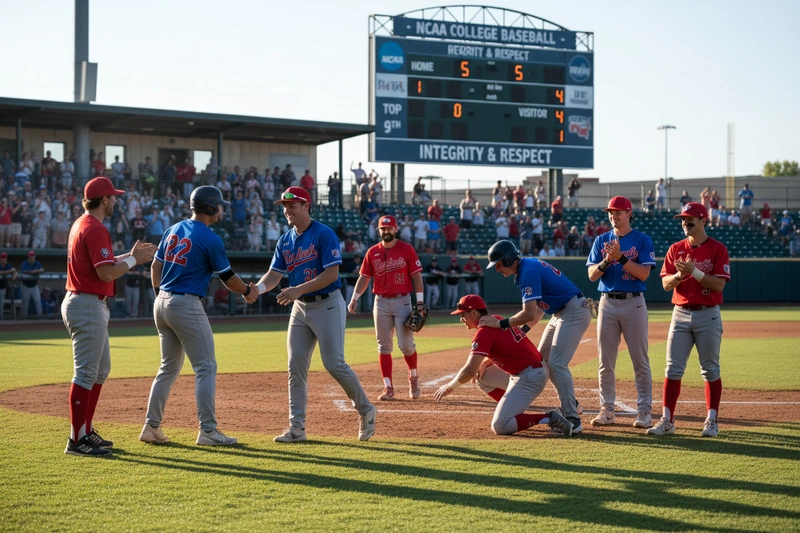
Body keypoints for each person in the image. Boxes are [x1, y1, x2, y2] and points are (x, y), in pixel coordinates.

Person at [250, 186, 376, 443]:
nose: (287, 210)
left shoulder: (323, 234)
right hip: (300, 308)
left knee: (333, 363)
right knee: (295, 367)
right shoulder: (285, 239)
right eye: (285, 207)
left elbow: (331, 274)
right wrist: (258, 289)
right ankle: (297, 428)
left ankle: (366, 410)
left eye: (292, 206)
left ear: (306, 206)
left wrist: (298, 290)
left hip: (328, 304)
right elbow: (274, 275)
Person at [140, 186, 255, 447]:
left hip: (162, 301)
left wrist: (160, 295)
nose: (222, 208)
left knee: (167, 368)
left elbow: (156, 267)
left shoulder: (172, 229)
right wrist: (248, 291)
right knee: (206, 367)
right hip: (186, 303)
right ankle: (208, 431)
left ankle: (151, 426)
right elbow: (228, 279)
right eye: (220, 205)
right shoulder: (210, 238)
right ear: (211, 207)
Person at [62, 177, 157, 457]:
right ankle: (76, 439)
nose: (115, 200)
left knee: (100, 371)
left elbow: (104, 264)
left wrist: (131, 254)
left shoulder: (84, 223)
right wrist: (133, 261)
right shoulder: (94, 228)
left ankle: (86, 431)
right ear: (103, 200)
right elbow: (105, 273)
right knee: (85, 373)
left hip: (88, 302)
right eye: (113, 197)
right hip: (87, 303)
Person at [483, 240, 591, 434]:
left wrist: (500, 324)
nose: (497, 269)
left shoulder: (527, 271)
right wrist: (520, 334)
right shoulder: (525, 270)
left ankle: (573, 418)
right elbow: (538, 312)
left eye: (498, 264)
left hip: (572, 311)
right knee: (543, 362)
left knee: (557, 363)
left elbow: (529, 314)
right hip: (561, 312)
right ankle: (571, 402)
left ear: (508, 259)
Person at [433, 294, 573, 436]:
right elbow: (507, 350)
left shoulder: (484, 331)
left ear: (474, 312)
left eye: (463, 314)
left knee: (500, 426)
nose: (461, 319)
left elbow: (469, 370)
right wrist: (484, 364)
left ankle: (549, 418)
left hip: (530, 377)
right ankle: (513, 408)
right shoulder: (496, 319)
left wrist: (449, 387)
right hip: (529, 370)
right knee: (482, 375)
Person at [648, 202, 730, 438]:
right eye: (683, 219)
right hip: (680, 313)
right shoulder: (675, 249)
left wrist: (694, 272)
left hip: (708, 313)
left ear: (703, 220)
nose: (685, 222)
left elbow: (719, 284)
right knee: (673, 369)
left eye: (690, 219)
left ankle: (711, 421)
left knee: (710, 369)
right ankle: (667, 420)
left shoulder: (717, 248)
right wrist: (679, 275)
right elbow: (665, 284)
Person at [586, 197, 656, 429]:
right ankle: (607, 410)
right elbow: (592, 275)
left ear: (629, 213)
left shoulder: (642, 240)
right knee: (605, 361)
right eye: (610, 212)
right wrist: (608, 259)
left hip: (633, 303)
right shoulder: (601, 240)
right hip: (606, 302)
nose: (613, 216)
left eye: (618, 212)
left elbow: (644, 274)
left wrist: (621, 258)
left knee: (640, 361)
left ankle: (644, 412)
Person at [348, 215, 426, 401]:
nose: (386, 231)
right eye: (383, 228)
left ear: (396, 229)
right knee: (384, 347)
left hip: (403, 300)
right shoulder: (372, 252)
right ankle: (388, 387)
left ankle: (413, 377)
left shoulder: (406, 249)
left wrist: (420, 301)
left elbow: (416, 277)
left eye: (389, 228)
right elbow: (364, 278)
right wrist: (354, 299)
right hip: (380, 301)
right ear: (379, 230)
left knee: (406, 345)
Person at [20, 250, 44, 319]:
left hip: (34, 285)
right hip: (25, 286)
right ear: (28, 257)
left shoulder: (37, 263)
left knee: (38, 301)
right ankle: (24, 317)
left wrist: (36, 271)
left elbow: (42, 270)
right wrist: (32, 272)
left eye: (33, 257)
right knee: (25, 303)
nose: (32, 258)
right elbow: (24, 271)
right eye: (30, 257)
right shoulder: (25, 263)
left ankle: (40, 316)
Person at [0, 252, 17, 320]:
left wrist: (14, 275)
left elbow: (14, 271)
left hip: (2, 287)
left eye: (4, 258)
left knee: (1, 305)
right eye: (2, 258)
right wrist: (8, 272)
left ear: (6, 258)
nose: (3, 259)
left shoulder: (8, 265)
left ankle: (0, 319)